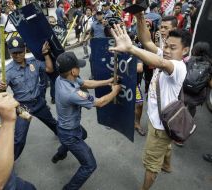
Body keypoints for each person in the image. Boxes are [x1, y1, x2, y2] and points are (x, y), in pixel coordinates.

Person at [109, 23, 191, 190]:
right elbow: (147, 42)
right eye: (166, 45)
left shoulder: (177, 66)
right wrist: (140, 17)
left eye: (173, 47)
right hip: (162, 122)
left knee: (151, 163)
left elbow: (161, 63)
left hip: (160, 126)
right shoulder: (167, 56)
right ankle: (167, 165)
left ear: (185, 51)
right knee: (166, 145)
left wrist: (131, 49)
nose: (167, 50)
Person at [52, 51, 121, 190]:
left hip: (66, 128)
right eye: (78, 66)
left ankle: (60, 153)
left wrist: (108, 82)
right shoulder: (72, 93)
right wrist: (115, 91)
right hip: (69, 133)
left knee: (83, 134)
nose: (79, 68)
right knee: (90, 165)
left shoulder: (62, 78)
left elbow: (86, 83)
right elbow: (100, 102)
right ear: (73, 71)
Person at [0, 36, 57, 160]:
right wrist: (0, 87)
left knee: (54, 124)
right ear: (9, 52)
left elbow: (49, 69)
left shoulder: (33, 62)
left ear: (25, 49)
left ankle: (67, 140)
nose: (18, 55)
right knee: (19, 139)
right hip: (22, 107)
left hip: (38, 102)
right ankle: (8, 163)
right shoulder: (7, 71)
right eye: (14, 53)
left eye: (20, 52)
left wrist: (46, 54)